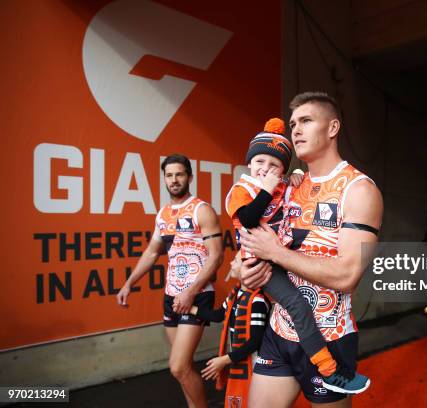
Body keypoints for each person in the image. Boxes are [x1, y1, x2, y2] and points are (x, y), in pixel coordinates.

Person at [238, 91, 384, 407]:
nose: (296, 130)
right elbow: (252, 239)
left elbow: (347, 275)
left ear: (332, 128)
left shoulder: (358, 189)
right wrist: (244, 270)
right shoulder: (288, 185)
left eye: (306, 121)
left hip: (328, 338)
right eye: (293, 124)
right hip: (279, 333)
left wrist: (275, 253)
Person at [116, 154, 223, 408]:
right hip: (171, 296)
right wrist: (129, 283)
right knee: (182, 367)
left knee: (177, 367)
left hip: (196, 294)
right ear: (164, 179)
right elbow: (152, 252)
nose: (174, 180)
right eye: (169, 175)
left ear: (189, 177)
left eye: (179, 174)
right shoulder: (163, 214)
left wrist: (191, 291)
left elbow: (217, 256)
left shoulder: (201, 210)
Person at [191, 254, 271, 408]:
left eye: (236, 261)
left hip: (256, 368)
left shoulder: (257, 301)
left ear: (250, 270)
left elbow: (256, 341)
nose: (231, 262)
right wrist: (190, 309)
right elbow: (218, 315)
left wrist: (224, 360)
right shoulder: (235, 296)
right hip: (239, 361)